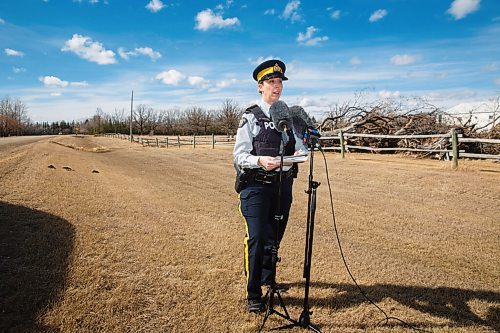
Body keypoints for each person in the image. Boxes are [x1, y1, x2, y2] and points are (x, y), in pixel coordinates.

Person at [233, 59, 307, 313]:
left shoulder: (288, 116)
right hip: (255, 186)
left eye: (279, 82)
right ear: (260, 87)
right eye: (271, 82)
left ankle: (267, 277)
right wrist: (259, 160)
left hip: (282, 186)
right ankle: (253, 292)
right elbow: (239, 156)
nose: (277, 87)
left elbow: (300, 148)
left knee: (273, 238)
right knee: (256, 237)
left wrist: (299, 152)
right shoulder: (251, 116)